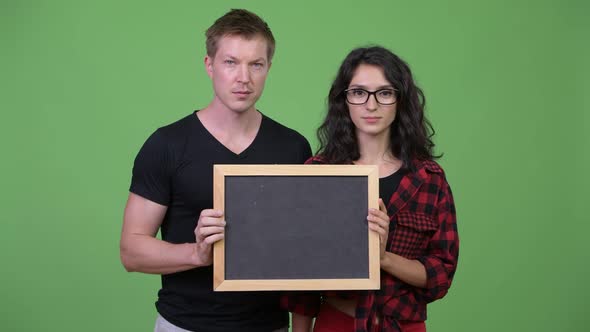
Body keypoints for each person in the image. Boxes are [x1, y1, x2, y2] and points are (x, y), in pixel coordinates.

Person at [120, 9, 311, 332]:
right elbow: (131, 251)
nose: (244, 78)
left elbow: (305, 248)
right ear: (209, 65)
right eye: (230, 62)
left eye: (256, 64)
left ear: (268, 68)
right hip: (184, 324)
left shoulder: (293, 148)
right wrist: (197, 253)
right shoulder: (167, 144)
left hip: (268, 326)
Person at [282, 46, 459, 332]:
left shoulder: (429, 179)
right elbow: (301, 280)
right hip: (337, 322)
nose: (371, 105)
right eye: (359, 92)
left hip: (404, 324)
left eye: (384, 93)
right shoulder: (319, 172)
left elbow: (441, 274)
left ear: (400, 100)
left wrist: (383, 258)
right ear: (345, 100)